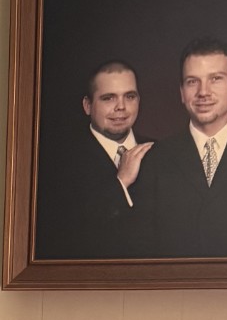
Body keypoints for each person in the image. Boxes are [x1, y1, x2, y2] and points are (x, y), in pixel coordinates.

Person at [135, 38, 227, 256]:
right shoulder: (154, 158)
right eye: (192, 82)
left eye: (215, 79)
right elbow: (142, 246)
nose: (203, 92)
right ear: (182, 92)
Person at [36, 60, 155, 258]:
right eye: (108, 98)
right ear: (87, 106)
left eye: (130, 96)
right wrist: (121, 182)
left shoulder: (161, 152)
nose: (121, 107)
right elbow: (65, 238)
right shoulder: (57, 164)